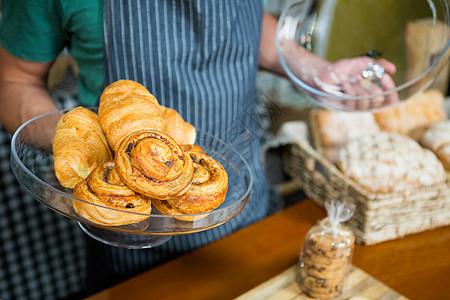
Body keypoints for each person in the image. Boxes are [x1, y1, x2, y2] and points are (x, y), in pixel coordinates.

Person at [0, 1, 396, 298]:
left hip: (246, 214)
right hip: (126, 232)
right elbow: (13, 80)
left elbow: (242, 21)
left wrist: (313, 68)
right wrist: (75, 138)